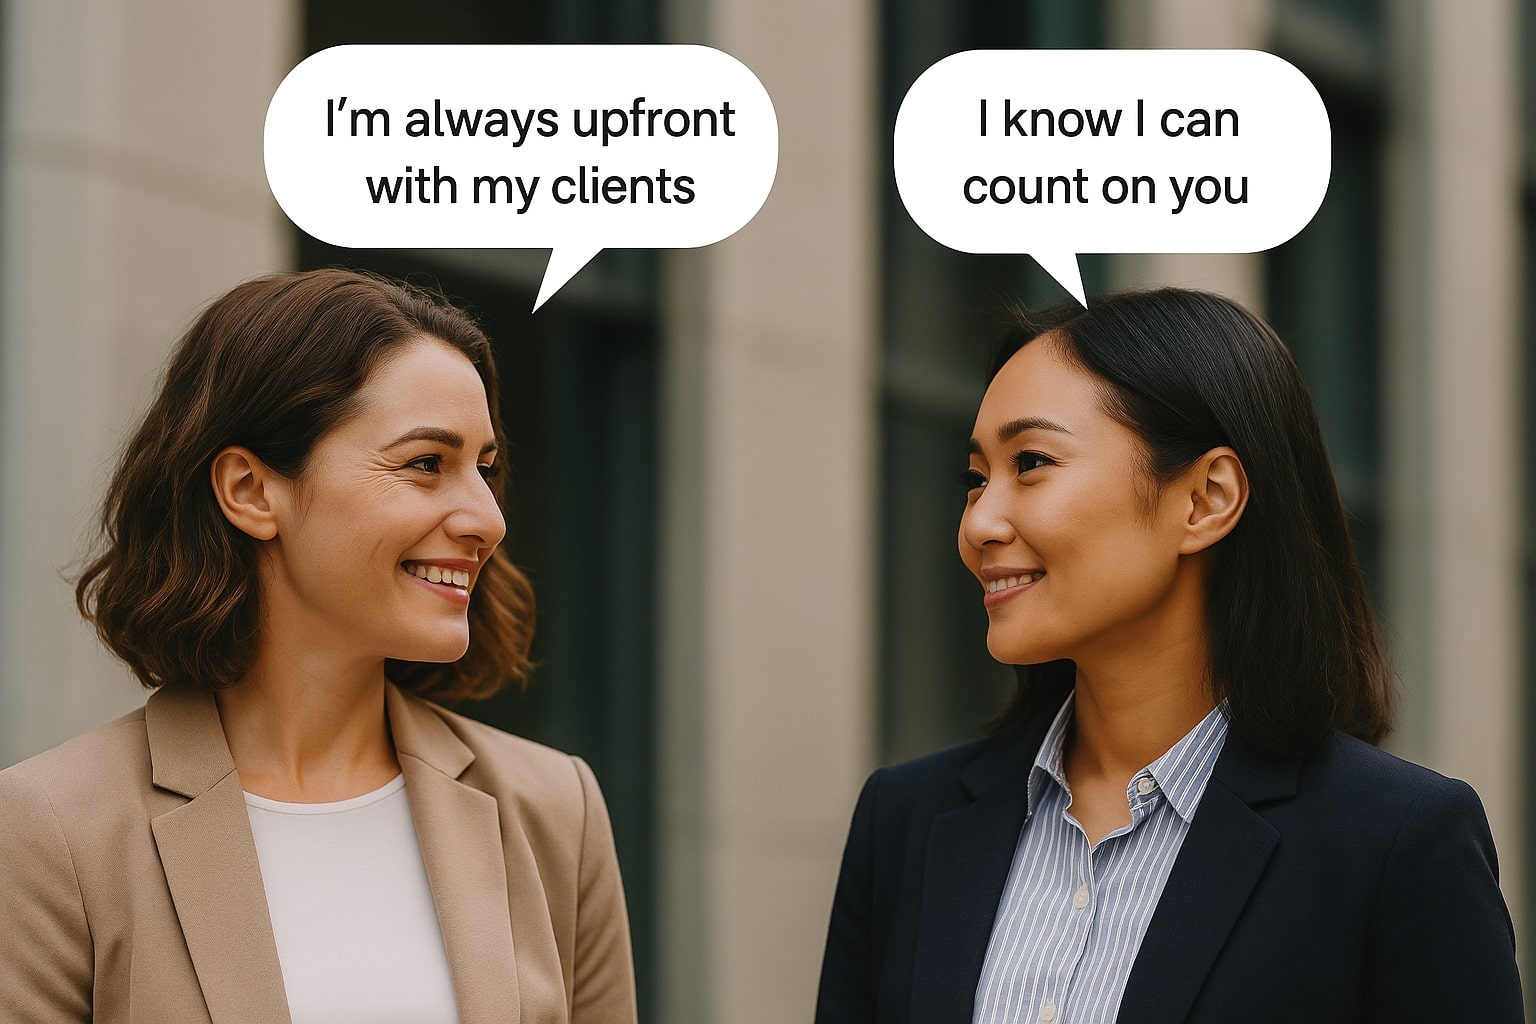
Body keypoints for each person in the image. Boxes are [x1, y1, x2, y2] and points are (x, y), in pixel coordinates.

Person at [815, 288, 1523, 1023]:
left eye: (1030, 462)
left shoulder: (1395, 845)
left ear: (1205, 499)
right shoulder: (902, 824)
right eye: (975, 479)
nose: (980, 523)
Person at [0, 269, 637, 1024]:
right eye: (426, 463)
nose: (486, 518)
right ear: (250, 490)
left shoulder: (553, 808)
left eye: (485, 469)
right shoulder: (49, 831)